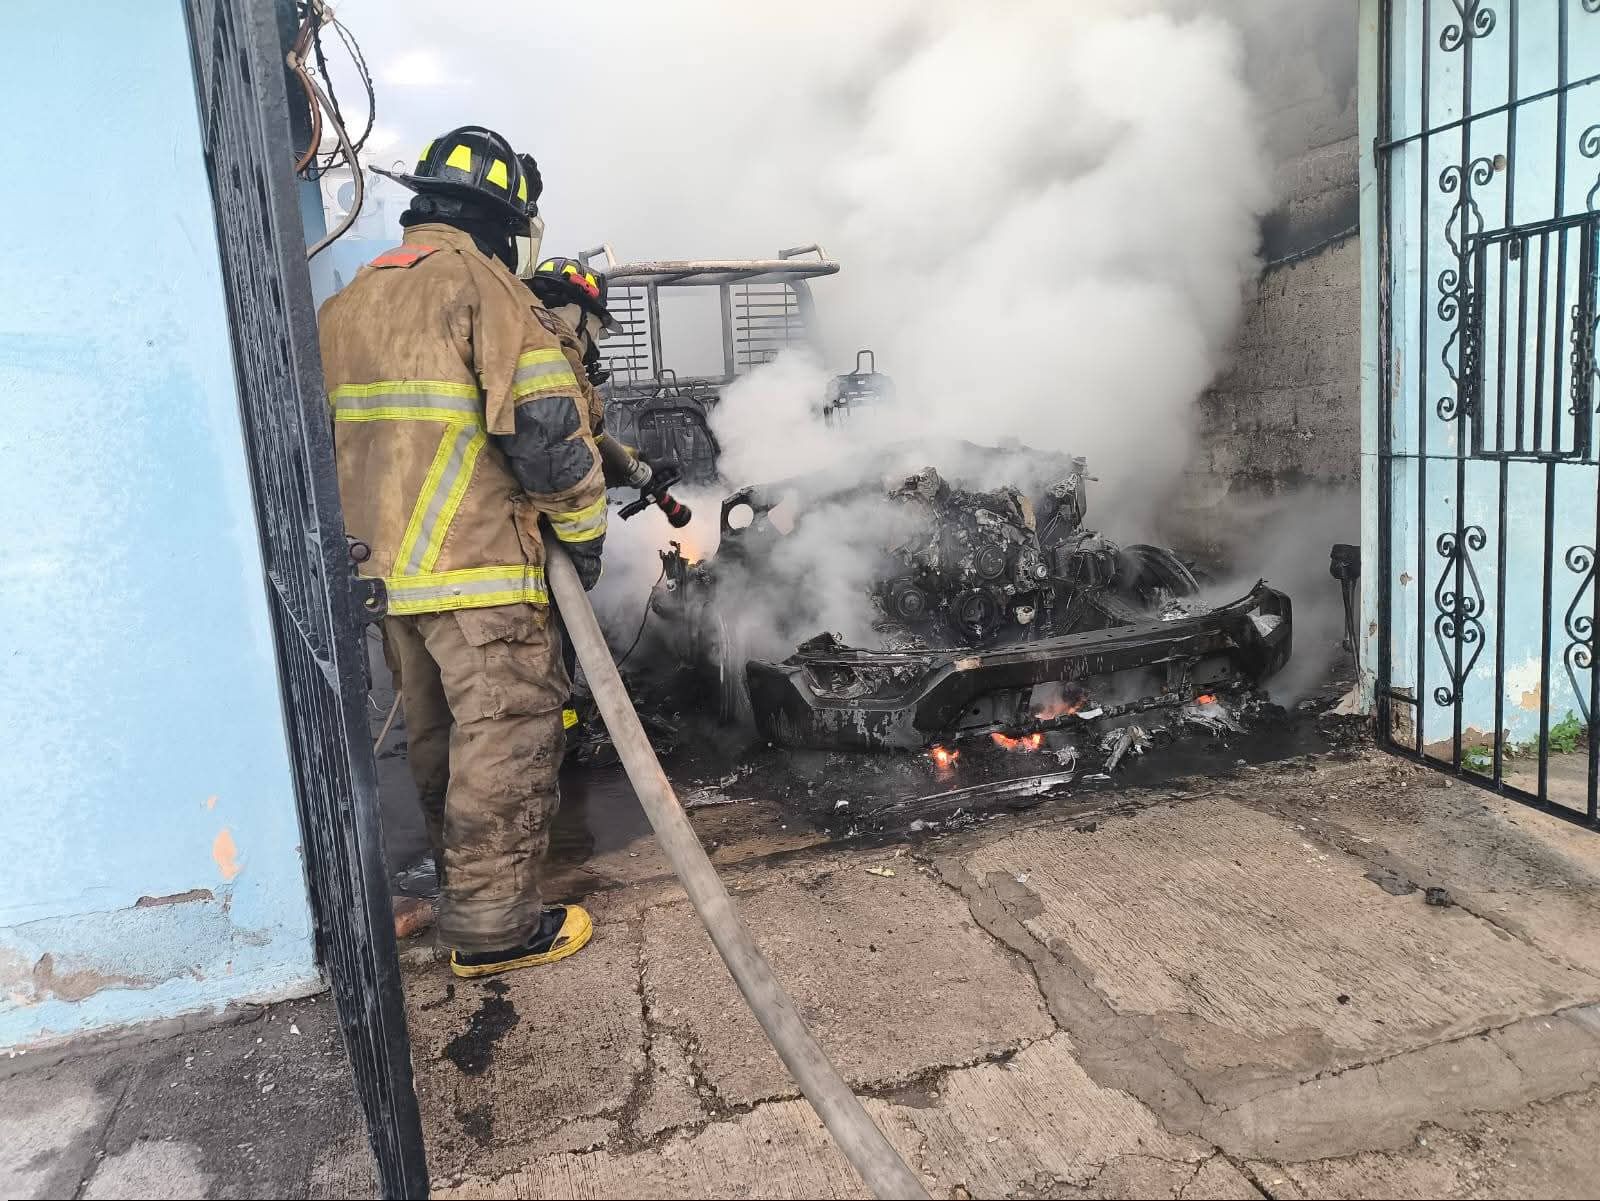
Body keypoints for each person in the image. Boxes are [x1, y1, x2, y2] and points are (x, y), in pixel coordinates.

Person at [318, 126, 607, 978]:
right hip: (476, 569)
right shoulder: (485, 289)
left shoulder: (348, 300)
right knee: (508, 736)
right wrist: (583, 543)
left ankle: (464, 889)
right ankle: (493, 927)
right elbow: (548, 434)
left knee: (439, 736)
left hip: (386, 579)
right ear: (505, 223)